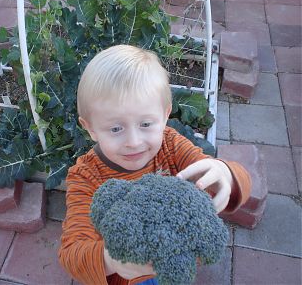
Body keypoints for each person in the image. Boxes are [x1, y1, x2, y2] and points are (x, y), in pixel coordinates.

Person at [58, 45, 251, 285]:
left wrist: (226, 173)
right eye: (116, 128)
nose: (133, 142)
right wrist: (111, 261)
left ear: (165, 114)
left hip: (174, 262)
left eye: (146, 124)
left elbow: (227, 177)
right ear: (90, 128)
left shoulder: (170, 145)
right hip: (126, 276)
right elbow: (72, 253)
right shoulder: (85, 177)